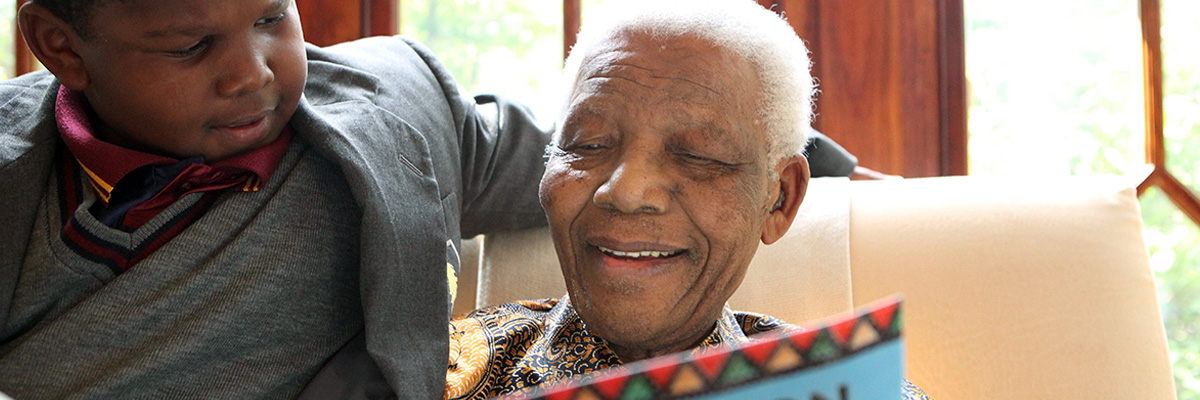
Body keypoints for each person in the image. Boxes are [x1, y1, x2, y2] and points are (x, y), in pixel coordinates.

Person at [0, 0, 552, 398]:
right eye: (189, 46)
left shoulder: (397, 108)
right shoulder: (16, 186)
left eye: (271, 17)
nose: (251, 74)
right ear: (62, 46)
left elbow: (581, 164)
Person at [442, 1, 931, 399]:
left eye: (696, 155)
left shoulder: (867, 392)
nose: (627, 192)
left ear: (780, 198)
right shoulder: (431, 376)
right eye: (588, 144)